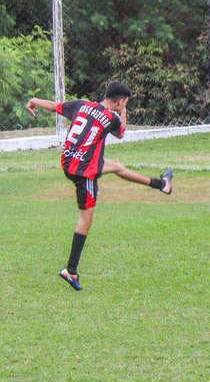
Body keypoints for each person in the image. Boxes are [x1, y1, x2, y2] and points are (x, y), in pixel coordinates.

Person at [26, 81, 172, 291]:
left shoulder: (82, 105)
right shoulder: (111, 117)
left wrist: (33, 101)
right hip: (84, 172)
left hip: (69, 162)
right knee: (86, 220)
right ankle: (71, 270)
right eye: (125, 103)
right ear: (120, 101)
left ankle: (161, 185)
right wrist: (123, 112)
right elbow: (121, 133)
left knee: (116, 166)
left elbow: (54, 106)